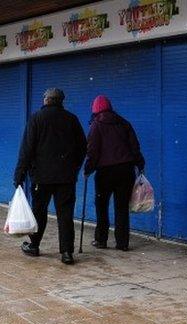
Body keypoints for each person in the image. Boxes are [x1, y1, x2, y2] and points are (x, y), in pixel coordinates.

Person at [14, 88, 87, 265]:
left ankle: (34, 246)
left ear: (46, 100)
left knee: (39, 212)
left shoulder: (36, 118)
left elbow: (27, 149)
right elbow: (83, 148)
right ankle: (67, 253)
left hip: (41, 177)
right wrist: (73, 168)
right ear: (61, 101)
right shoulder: (71, 119)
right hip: (66, 178)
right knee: (65, 215)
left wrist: (19, 175)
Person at [84, 95, 144, 251]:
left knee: (101, 206)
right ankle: (122, 243)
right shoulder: (124, 123)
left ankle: (101, 240)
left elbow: (92, 151)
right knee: (122, 207)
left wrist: (88, 169)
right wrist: (139, 163)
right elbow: (135, 146)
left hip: (105, 172)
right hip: (125, 171)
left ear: (95, 109)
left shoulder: (96, 125)